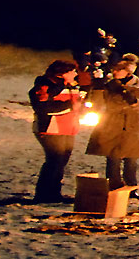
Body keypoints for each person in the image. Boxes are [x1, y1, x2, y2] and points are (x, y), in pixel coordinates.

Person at [86, 55, 139, 196]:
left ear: (128, 72)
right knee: (113, 157)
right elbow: (100, 103)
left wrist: (137, 104)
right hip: (112, 124)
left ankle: (131, 188)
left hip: (132, 126)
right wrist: (98, 87)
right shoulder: (109, 86)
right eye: (115, 70)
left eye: (119, 70)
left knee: (131, 159)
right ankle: (114, 187)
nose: (115, 73)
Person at [29, 59, 81, 203]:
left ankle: (54, 193)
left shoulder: (70, 86)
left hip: (68, 128)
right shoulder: (45, 85)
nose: (75, 74)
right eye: (72, 71)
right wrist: (69, 106)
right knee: (54, 161)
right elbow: (43, 107)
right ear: (62, 73)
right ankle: (43, 194)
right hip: (50, 128)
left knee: (61, 161)